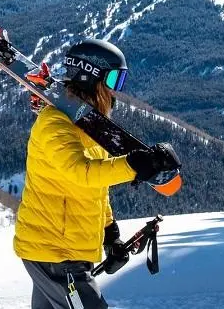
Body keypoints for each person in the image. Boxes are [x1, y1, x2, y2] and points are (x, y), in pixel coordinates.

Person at [12, 37, 182, 309]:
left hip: (60, 251)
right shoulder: (54, 124)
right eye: (113, 81)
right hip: (56, 254)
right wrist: (133, 165)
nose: (116, 92)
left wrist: (109, 234)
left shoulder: (89, 130)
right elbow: (83, 173)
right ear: (90, 77)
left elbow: (94, 188)